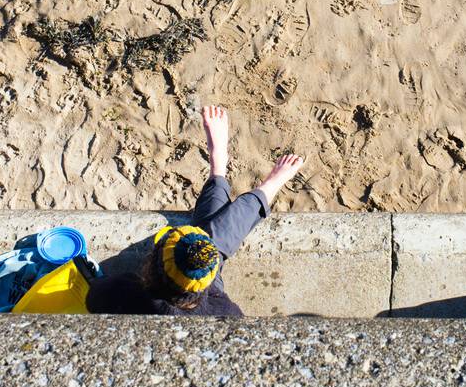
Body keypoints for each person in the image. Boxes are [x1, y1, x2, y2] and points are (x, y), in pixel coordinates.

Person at [86, 105, 304, 316]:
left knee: (210, 243)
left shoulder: (122, 292)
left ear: (153, 265)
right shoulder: (224, 312)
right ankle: (238, 176)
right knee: (210, 245)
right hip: (205, 299)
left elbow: (93, 296)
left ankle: (221, 171)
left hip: (190, 294)